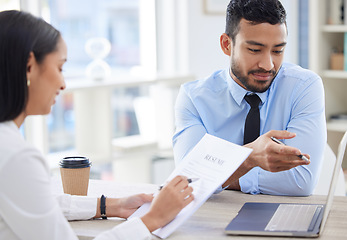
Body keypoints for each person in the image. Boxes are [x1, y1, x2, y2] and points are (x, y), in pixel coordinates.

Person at [0, 10, 194, 240]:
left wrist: (109, 206)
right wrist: (152, 220)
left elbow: (33, 200)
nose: (63, 84)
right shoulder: (16, 156)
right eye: (60, 68)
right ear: (29, 66)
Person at [173, 0, 326, 196]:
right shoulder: (193, 99)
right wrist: (250, 158)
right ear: (227, 45)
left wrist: (215, 174)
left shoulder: (304, 87)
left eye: (278, 50)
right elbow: (189, 180)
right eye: (255, 50)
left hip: (281, 214)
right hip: (217, 215)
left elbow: (300, 181)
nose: (268, 65)